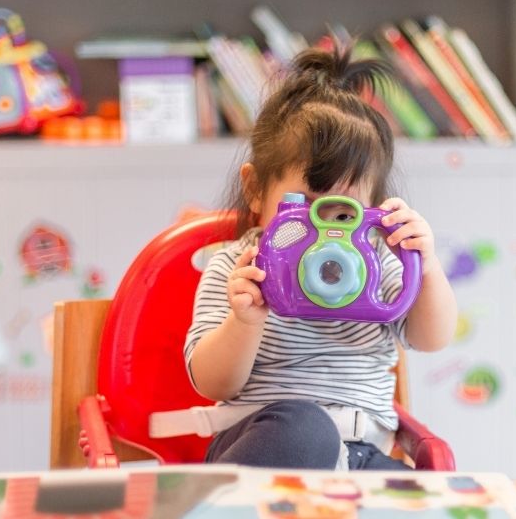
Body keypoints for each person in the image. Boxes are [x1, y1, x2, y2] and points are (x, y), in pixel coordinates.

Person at [184, 44, 457, 470]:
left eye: (344, 213)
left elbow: (431, 338)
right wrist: (244, 321)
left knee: (421, 500)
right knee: (305, 429)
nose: (324, 234)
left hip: (363, 454)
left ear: (374, 210)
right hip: (269, 446)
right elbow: (211, 382)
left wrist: (425, 263)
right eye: (304, 208)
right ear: (256, 189)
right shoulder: (238, 267)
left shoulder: (377, 263)